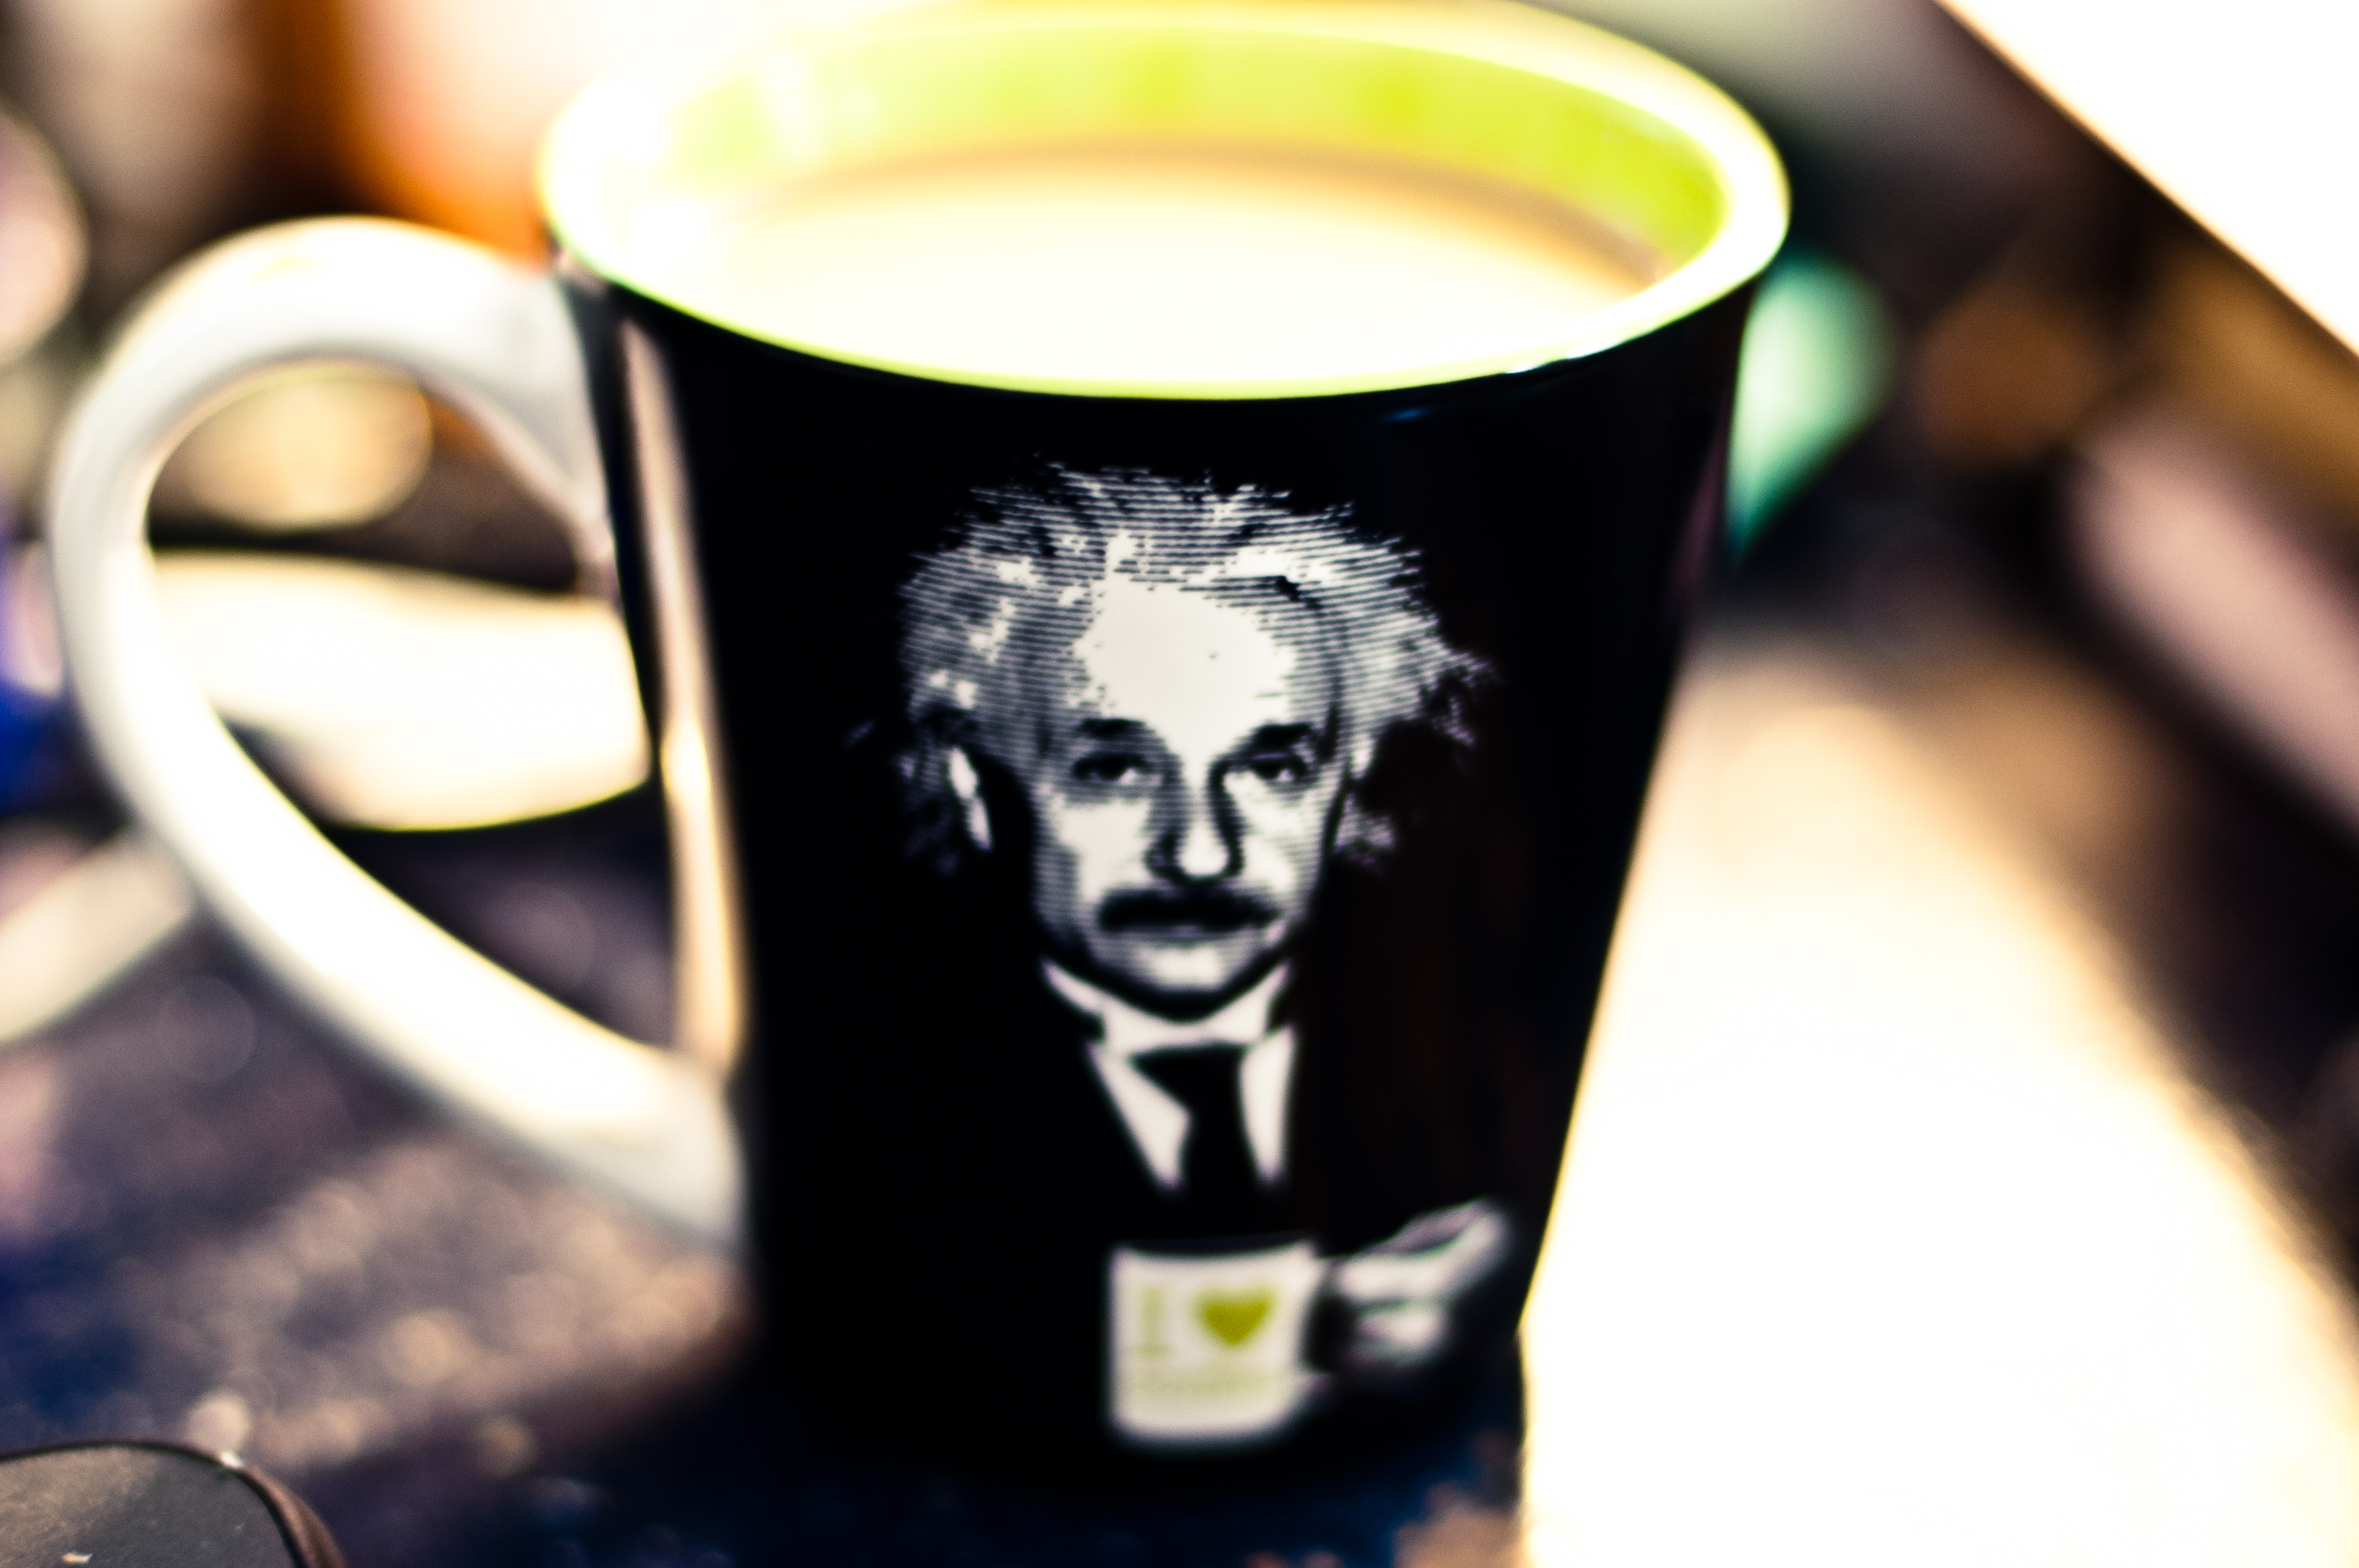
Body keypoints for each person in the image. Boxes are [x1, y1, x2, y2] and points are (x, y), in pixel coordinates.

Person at [873, 467, 1511, 1449]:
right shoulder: (882, 1080)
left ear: (1348, 782)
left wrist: (1491, 1260)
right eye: (1113, 768)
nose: (1201, 852)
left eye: (1270, 767)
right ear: (975, 783)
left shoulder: (1442, 1032)